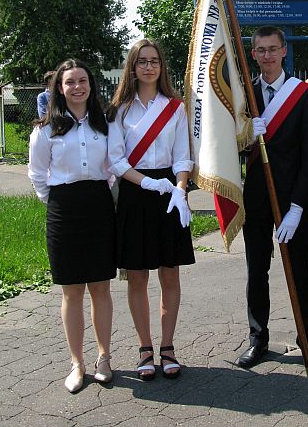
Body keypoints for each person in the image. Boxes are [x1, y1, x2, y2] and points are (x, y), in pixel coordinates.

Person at [236, 26, 308, 373]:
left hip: (292, 201)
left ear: (284, 51)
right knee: (256, 270)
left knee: (301, 273)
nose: (267, 56)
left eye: (273, 49)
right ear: (253, 54)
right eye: (261, 50)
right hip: (256, 197)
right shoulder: (244, 94)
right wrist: (245, 138)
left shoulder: (304, 94)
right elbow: (231, 151)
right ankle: (258, 339)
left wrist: (299, 206)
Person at [107, 39, 194, 381]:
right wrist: (146, 184)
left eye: (154, 61)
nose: (148, 67)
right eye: (141, 61)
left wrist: (181, 189)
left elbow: (183, 156)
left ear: (162, 66)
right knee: (138, 276)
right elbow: (115, 160)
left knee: (169, 273)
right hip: (135, 191)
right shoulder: (119, 110)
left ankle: (168, 346)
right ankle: (145, 347)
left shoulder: (175, 107)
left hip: (170, 193)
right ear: (132, 66)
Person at [28, 59, 116, 393]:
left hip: (98, 206)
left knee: (101, 288)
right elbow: (37, 175)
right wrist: (58, 202)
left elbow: (112, 166)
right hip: (64, 209)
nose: (77, 87)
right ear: (59, 89)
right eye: (70, 82)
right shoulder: (46, 129)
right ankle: (77, 363)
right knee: (72, 291)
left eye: (82, 81)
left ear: (91, 86)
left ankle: (104, 357)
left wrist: (96, 193)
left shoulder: (104, 124)